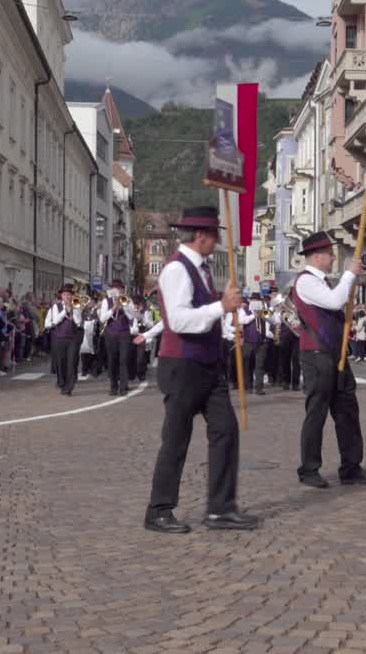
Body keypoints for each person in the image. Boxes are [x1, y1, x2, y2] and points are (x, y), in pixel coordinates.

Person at [144, 205, 257, 534]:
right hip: (183, 364)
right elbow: (177, 320)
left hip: (207, 364)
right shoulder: (178, 269)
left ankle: (221, 508)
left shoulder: (202, 268)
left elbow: (202, 314)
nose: (217, 240)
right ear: (202, 236)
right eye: (215, 234)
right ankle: (159, 509)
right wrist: (221, 306)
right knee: (176, 439)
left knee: (225, 431)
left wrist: (222, 315)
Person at [291, 231, 366, 489]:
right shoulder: (306, 281)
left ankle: (351, 466)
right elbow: (333, 301)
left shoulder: (324, 281)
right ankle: (309, 468)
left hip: (335, 354)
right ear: (317, 257)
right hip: (317, 355)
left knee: (347, 411)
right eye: (330, 254)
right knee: (316, 413)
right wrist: (350, 273)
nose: (333, 258)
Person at [98, 279, 136, 396]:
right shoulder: (106, 301)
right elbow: (102, 319)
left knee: (123, 360)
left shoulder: (128, 300)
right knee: (112, 360)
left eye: (119, 288)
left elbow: (132, 316)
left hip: (124, 333)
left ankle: (123, 387)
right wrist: (113, 308)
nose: (117, 290)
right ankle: (113, 386)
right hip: (111, 334)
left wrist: (123, 306)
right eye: (114, 288)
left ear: (122, 289)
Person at [46, 283, 84, 396]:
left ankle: (69, 387)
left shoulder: (76, 305)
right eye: (65, 294)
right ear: (61, 296)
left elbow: (78, 322)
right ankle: (62, 383)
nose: (67, 296)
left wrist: (73, 311)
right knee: (61, 363)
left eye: (69, 294)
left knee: (71, 363)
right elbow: (55, 321)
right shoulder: (55, 307)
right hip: (59, 339)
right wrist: (65, 311)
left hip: (72, 339)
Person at [242, 293, 272, 395]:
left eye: (257, 301)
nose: (255, 302)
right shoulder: (245, 310)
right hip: (248, 342)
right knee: (248, 365)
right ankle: (249, 386)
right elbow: (242, 321)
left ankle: (259, 388)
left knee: (260, 365)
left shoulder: (263, 310)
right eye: (253, 300)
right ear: (250, 301)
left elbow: (273, 319)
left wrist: (265, 311)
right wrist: (253, 315)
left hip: (261, 342)